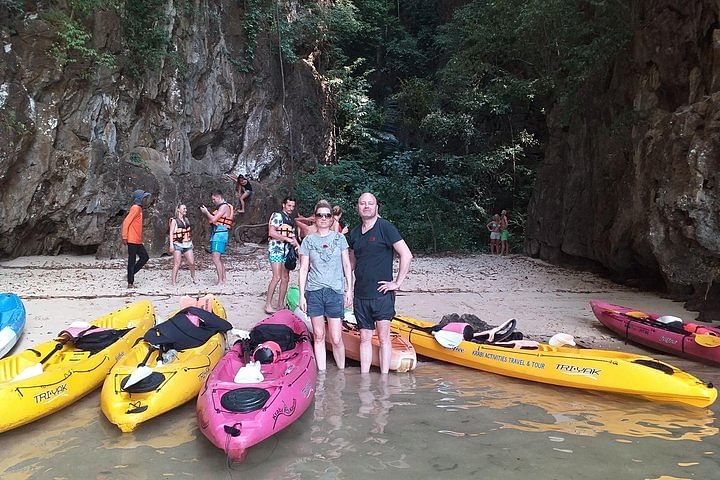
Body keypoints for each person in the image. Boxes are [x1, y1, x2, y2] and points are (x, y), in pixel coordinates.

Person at [349, 192, 412, 374]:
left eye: (370, 203)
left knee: (384, 338)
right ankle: (365, 379)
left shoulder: (385, 227)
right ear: (358, 207)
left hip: (382, 294)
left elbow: (406, 255)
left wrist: (397, 283)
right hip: (361, 294)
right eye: (362, 203)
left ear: (377, 207)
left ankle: (384, 379)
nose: (366, 206)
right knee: (364, 339)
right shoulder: (354, 233)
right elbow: (351, 264)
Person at [298, 200, 353, 370]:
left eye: (327, 215)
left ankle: (341, 373)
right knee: (319, 335)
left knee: (336, 338)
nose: (323, 218)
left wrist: (349, 290)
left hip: (335, 291)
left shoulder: (340, 238)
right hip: (314, 291)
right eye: (320, 215)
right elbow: (303, 269)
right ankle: (322, 374)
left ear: (331, 219)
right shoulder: (308, 241)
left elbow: (346, 265)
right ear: (314, 218)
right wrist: (301, 295)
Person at [265, 196, 299, 313]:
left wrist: (297, 246)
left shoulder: (290, 219)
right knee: (277, 277)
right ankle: (268, 305)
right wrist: (287, 239)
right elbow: (272, 232)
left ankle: (280, 304)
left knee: (285, 278)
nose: (291, 208)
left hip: (286, 250)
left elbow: (293, 236)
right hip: (276, 249)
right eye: (289, 205)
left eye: (293, 206)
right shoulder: (277, 216)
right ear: (284, 205)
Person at [200, 191, 233, 285]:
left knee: (215, 258)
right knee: (218, 257)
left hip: (220, 235)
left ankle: (220, 281)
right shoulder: (225, 206)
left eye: (214, 199)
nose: (213, 201)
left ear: (218, 197)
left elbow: (213, 219)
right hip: (220, 233)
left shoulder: (223, 207)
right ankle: (224, 278)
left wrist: (206, 212)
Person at [121, 189, 151, 289]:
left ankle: (130, 274)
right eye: (144, 198)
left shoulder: (139, 208)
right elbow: (126, 222)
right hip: (132, 239)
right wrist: (124, 237)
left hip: (137, 240)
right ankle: (130, 282)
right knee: (132, 260)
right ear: (140, 199)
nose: (145, 200)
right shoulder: (135, 208)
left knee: (144, 257)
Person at [168, 204, 196, 285]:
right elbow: (171, 233)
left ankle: (193, 277)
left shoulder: (186, 220)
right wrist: (171, 245)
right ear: (178, 210)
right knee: (177, 263)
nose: (185, 210)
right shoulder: (174, 221)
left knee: (192, 262)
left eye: (186, 208)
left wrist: (191, 243)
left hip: (187, 244)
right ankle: (173, 282)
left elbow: (188, 233)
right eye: (184, 208)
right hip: (178, 244)